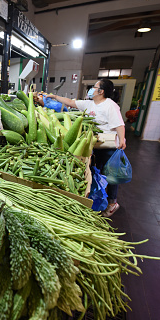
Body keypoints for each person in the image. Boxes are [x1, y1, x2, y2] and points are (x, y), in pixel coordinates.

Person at [40, 79, 126, 217]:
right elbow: (71, 102)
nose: (92, 89)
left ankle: (112, 203)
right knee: (97, 171)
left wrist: (122, 140)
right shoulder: (89, 103)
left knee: (110, 174)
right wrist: (54, 96)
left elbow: (120, 125)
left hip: (109, 145)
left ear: (101, 91)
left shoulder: (110, 105)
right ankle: (98, 196)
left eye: (95, 86)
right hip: (96, 143)